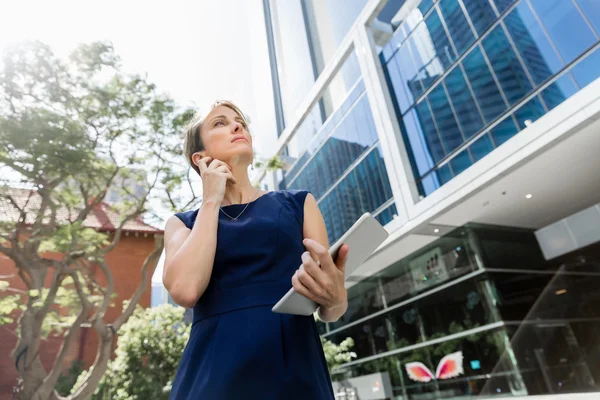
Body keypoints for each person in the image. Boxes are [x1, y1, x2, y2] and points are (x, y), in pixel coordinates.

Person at [163, 100, 349, 399]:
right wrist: (211, 199)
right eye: (220, 123)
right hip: (212, 374)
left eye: (240, 122)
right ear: (200, 158)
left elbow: (330, 304)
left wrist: (338, 298)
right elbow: (185, 290)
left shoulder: (299, 204)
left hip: (295, 369)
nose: (237, 126)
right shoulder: (182, 224)